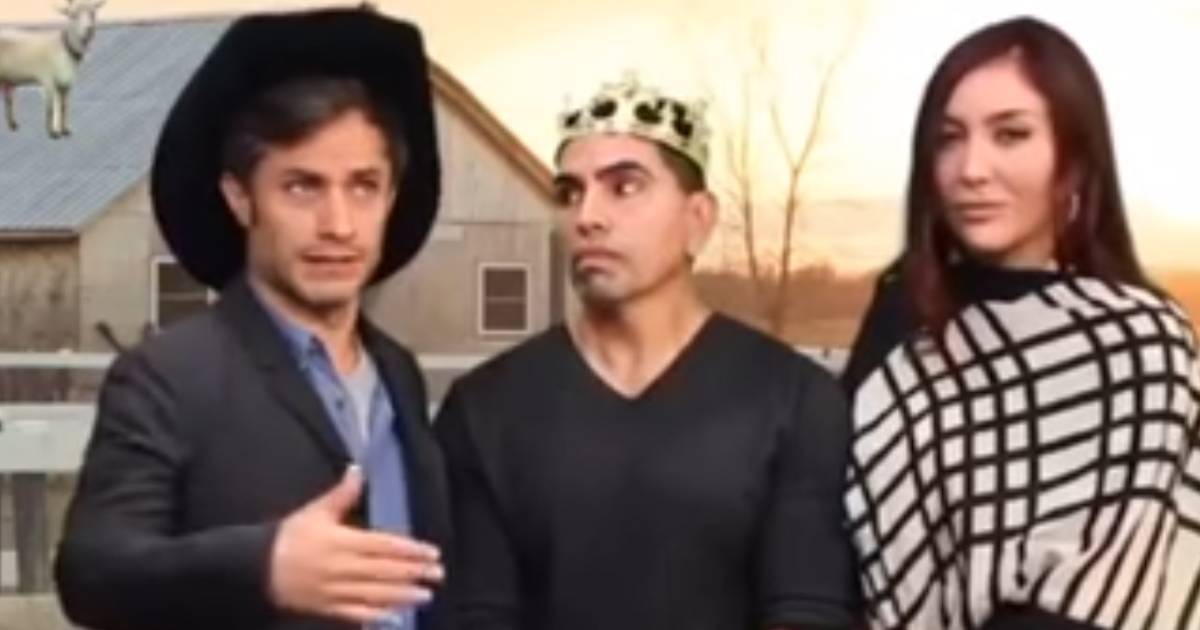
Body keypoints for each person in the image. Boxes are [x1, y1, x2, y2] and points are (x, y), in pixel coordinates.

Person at [53, 8, 452, 630]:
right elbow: (91, 573)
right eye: (302, 187)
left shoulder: (398, 372)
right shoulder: (168, 375)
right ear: (241, 198)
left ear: (391, 198)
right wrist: (263, 566)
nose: (338, 225)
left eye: (363, 187)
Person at [433, 73, 862, 630]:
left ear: (697, 219)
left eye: (625, 187)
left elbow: (806, 608)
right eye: (569, 193)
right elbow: (479, 614)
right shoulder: (483, 409)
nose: (588, 216)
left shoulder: (796, 400)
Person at [842, 16, 1200, 630]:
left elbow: (1113, 586)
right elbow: (838, 536)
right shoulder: (902, 323)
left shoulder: (1139, 344)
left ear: (1076, 160)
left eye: (1010, 134)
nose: (970, 169)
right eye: (948, 139)